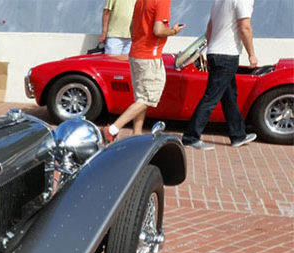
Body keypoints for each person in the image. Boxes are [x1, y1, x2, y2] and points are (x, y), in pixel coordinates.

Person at [101, 0, 184, 142]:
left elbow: (132, 28)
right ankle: (113, 129)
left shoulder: (140, 1)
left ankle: (136, 134)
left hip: (136, 54)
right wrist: (173, 31)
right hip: (149, 57)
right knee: (148, 98)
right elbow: (158, 30)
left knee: (140, 97)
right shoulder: (162, 2)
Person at [182, 0, 258, 150]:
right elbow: (245, 28)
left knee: (229, 96)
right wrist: (251, 54)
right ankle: (191, 137)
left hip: (215, 53)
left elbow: (210, 26)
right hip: (227, 55)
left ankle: (238, 135)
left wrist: (209, 49)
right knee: (212, 97)